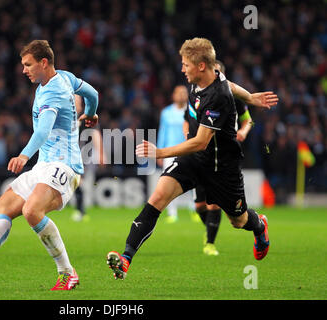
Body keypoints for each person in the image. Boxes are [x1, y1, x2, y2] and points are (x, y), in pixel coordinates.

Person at [106, 38, 277, 280]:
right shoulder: (206, 78)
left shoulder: (217, 97)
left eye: (186, 65)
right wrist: (250, 97)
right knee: (157, 197)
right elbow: (229, 83)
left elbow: (201, 141)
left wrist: (160, 152)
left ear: (201, 66)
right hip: (194, 160)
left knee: (238, 221)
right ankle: (126, 258)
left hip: (221, 167)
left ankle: (259, 225)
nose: (182, 69)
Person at [0, 40, 99, 291]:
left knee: (32, 211)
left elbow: (43, 130)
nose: (23, 70)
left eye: (28, 64)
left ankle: (67, 273)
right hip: (45, 165)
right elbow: (92, 94)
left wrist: (23, 155)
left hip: (64, 167)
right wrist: (91, 113)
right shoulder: (65, 77)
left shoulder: (54, 92)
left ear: (44, 62)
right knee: (2, 206)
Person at [186, 60, 254, 256]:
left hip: (223, 154)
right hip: (200, 153)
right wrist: (188, 135)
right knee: (200, 206)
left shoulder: (231, 95)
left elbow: (248, 119)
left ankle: (209, 242)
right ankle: (210, 228)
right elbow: (187, 119)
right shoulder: (197, 94)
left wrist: (243, 131)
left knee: (215, 203)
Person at [156, 85, 189, 223]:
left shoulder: (191, 111)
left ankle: (194, 209)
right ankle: (172, 213)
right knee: (168, 183)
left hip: (187, 150)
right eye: (178, 93)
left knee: (191, 182)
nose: (181, 95)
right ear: (173, 95)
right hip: (169, 151)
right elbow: (162, 131)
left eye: (183, 92)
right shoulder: (166, 112)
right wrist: (159, 151)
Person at [71, 95, 105, 222]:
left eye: (78, 102)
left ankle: (80, 210)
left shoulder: (85, 119)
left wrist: (101, 154)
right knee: (75, 183)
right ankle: (80, 210)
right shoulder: (62, 117)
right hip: (63, 156)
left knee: (78, 182)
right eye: (74, 101)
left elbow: (95, 134)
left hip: (81, 156)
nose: (77, 104)